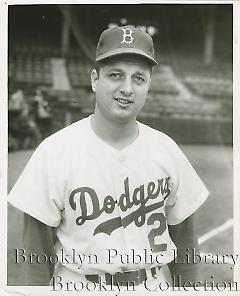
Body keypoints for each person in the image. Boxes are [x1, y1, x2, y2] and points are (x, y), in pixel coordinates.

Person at [8, 25, 209, 290]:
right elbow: (35, 258)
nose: (127, 88)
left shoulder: (167, 149)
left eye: (138, 78)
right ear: (94, 79)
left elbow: (186, 246)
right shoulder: (54, 151)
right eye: (116, 75)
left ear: (148, 85)